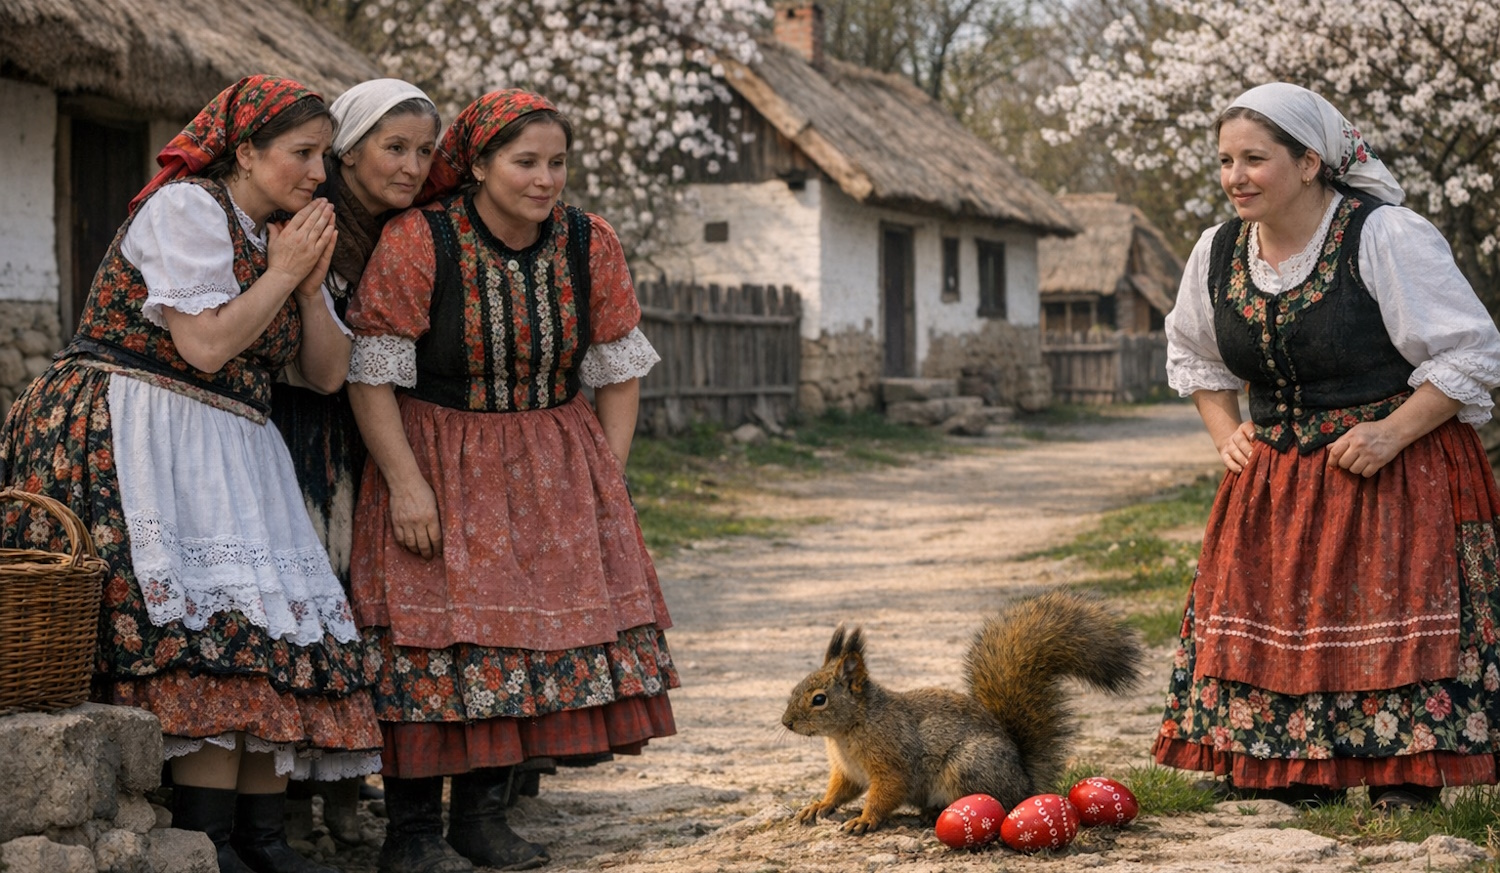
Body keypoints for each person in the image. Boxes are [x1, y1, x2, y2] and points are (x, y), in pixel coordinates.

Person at [0, 75, 380, 873]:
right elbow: (205, 346)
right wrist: (279, 275)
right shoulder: (187, 210)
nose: (319, 173)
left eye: (325, 156)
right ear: (244, 150)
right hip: (138, 424)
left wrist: (309, 290)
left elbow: (325, 373)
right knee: (206, 633)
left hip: (232, 442)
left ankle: (259, 835)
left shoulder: (285, 237)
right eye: (302, 154)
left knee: (262, 633)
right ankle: (208, 839)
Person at [345, 89, 678, 873]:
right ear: (480, 164)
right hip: (439, 452)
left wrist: (607, 476)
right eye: (525, 162)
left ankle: (483, 819)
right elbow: (372, 372)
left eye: (556, 163)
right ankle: (412, 835)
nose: (544, 179)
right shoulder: (420, 239)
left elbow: (618, 367)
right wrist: (406, 483)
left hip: (552, 456)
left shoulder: (586, 241)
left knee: (524, 638)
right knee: (427, 642)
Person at [1155, 82, 1500, 810]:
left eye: (1254, 158)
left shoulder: (1385, 235)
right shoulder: (1217, 252)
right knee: (1268, 610)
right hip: (1276, 477)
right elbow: (1194, 356)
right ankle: (1286, 769)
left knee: (1394, 613)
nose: (1235, 177)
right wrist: (1226, 434)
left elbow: (1470, 353)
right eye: (1224, 161)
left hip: (1394, 467)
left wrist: (1390, 432)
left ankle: (1402, 773)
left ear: (1310, 162)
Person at [268, 77, 440, 844]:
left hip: (354, 434)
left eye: (425, 151)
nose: (411, 165)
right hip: (293, 426)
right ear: (349, 148)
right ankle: (283, 799)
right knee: (297, 603)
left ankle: (336, 787)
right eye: (393, 147)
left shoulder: (406, 233)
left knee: (343, 607)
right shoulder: (317, 223)